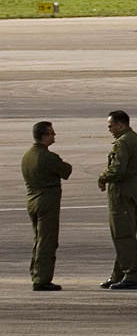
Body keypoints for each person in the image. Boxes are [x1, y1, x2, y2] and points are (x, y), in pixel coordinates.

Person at [97, 110, 137, 290]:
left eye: (111, 126)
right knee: (127, 232)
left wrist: (103, 177)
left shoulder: (123, 142)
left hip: (122, 189)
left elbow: (118, 169)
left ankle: (130, 275)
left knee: (122, 234)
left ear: (120, 125)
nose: (110, 129)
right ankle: (118, 274)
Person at [22, 121, 72, 291]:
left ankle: (36, 273)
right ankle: (42, 279)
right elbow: (66, 170)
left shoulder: (27, 155)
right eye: (51, 133)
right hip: (46, 201)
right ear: (44, 136)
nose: (54, 136)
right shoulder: (48, 157)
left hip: (32, 200)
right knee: (47, 240)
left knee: (38, 239)